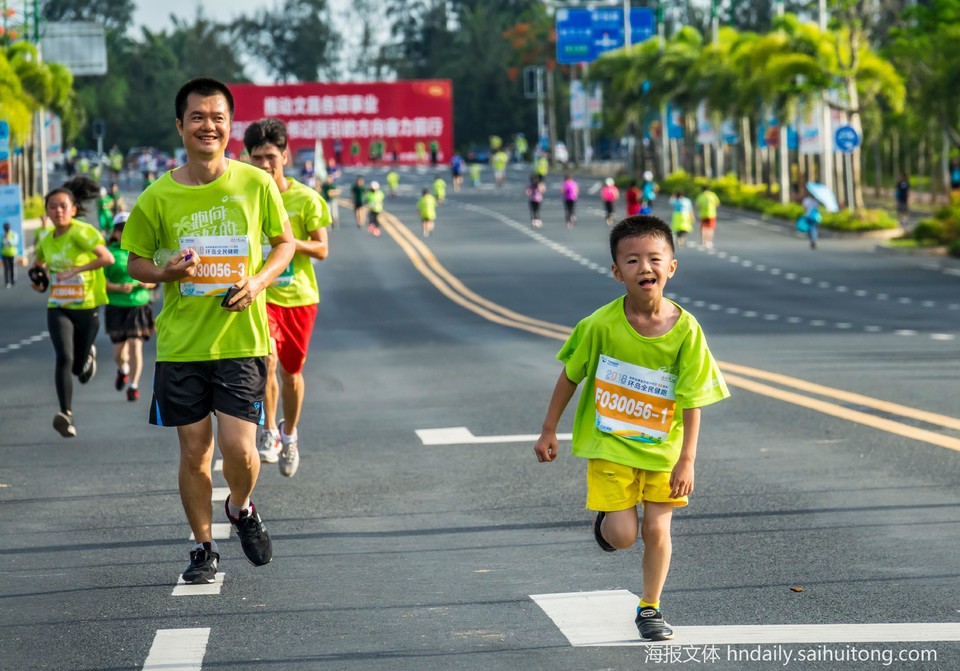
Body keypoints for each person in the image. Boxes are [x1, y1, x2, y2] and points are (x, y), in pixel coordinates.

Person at [122, 77, 296, 585]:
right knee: (196, 450)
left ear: (229, 126)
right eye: (197, 117)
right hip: (181, 344)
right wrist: (166, 271)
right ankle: (202, 547)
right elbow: (134, 261)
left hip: (241, 339)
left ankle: (240, 508)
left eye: (217, 117)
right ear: (180, 125)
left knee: (241, 451)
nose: (208, 125)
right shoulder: (158, 195)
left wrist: (259, 281)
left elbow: (283, 243)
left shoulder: (255, 183)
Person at [533, 215, 730, 642]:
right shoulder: (599, 325)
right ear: (616, 271)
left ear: (672, 267)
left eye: (655, 259)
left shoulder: (687, 331)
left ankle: (650, 607)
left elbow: (694, 398)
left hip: (663, 450)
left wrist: (687, 459)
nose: (645, 267)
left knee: (658, 528)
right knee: (623, 536)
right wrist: (549, 429)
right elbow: (571, 375)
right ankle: (608, 520)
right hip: (611, 447)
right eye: (633, 260)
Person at [244, 118, 331, 478]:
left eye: (270, 156)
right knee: (267, 361)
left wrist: (289, 244)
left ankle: (289, 433)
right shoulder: (244, 197)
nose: (264, 164)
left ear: (285, 155)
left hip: (299, 297)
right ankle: (267, 433)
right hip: (260, 295)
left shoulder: (306, 198)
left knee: (293, 373)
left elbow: (323, 248)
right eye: (256, 157)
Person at [30, 182, 114, 437]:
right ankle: (65, 414)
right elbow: (38, 271)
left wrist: (75, 270)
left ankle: (87, 357)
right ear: (46, 212)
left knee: (78, 368)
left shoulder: (82, 232)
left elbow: (106, 258)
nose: (58, 212)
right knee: (64, 358)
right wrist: (38, 281)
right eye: (52, 207)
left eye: (63, 206)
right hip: (59, 306)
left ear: (73, 209)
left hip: (87, 305)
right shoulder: (46, 241)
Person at [103, 212, 156, 402]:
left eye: (127, 227)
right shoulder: (109, 253)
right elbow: (100, 282)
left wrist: (146, 283)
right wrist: (117, 287)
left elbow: (157, 277)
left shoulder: (143, 249)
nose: (123, 231)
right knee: (119, 353)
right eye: (120, 228)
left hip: (138, 304)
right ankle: (123, 369)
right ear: (115, 233)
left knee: (136, 345)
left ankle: (133, 385)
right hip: (116, 306)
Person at [2, 222, 19, 288]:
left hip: (12, 254)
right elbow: (1, 245)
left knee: (12, 268)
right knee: (6, 269)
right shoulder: (3, 235)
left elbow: (15, 242)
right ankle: (7, 282)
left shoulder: (13, 234)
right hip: (5, 254)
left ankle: (12, 280)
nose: (6, 230)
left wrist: (9, 239)